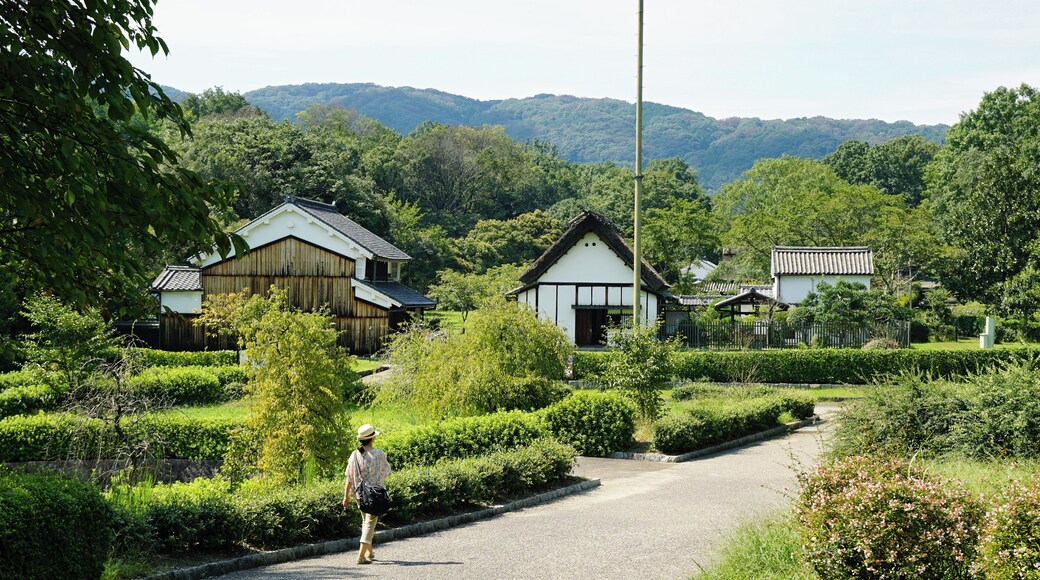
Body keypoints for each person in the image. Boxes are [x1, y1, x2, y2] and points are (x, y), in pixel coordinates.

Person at [343, 423, 391, 565]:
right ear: (372, 438)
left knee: (366, 521)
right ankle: (361, 556)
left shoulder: (353, 455)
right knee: (369, 524)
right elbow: (386, 472)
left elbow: (349, 477)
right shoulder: (379, 454)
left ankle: (370, 553)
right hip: (375, 495)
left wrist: (345, 496)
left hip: (359, 494)